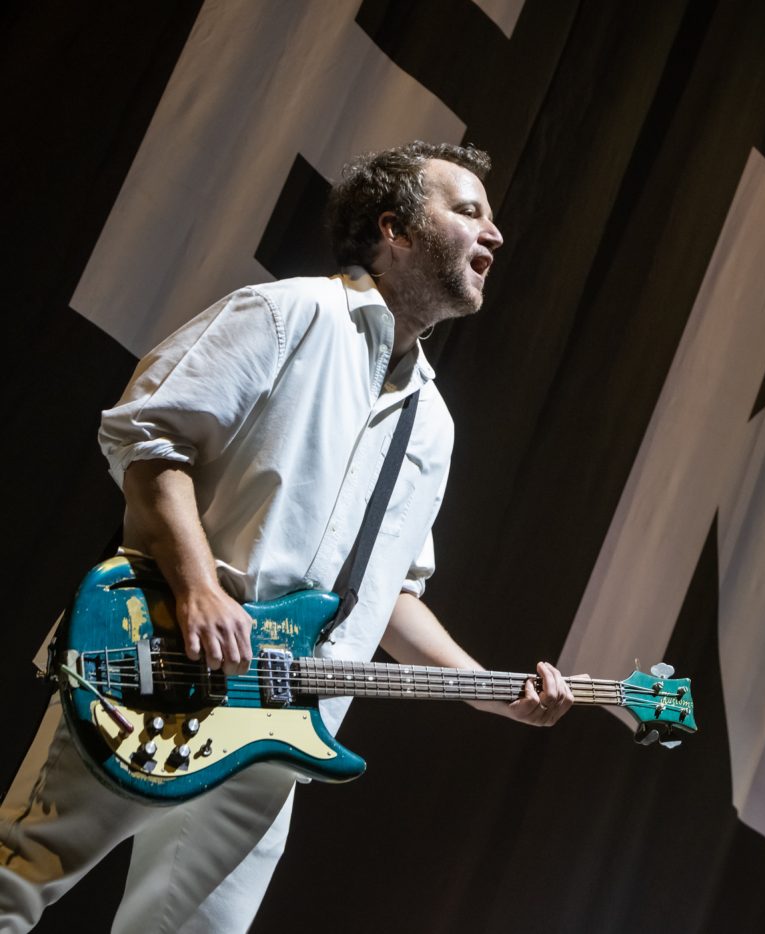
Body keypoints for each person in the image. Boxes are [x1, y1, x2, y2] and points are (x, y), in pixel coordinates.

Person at [0, 141, 575, 933]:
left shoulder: (434, 424)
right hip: (157, 674)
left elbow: (391, 597)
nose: (496, 234)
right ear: (395, 229)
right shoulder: (290, 313)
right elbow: (147, 442)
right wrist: (199, 586)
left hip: (275, 737)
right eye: (468, 210)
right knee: (12, 887)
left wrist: (486, 692)